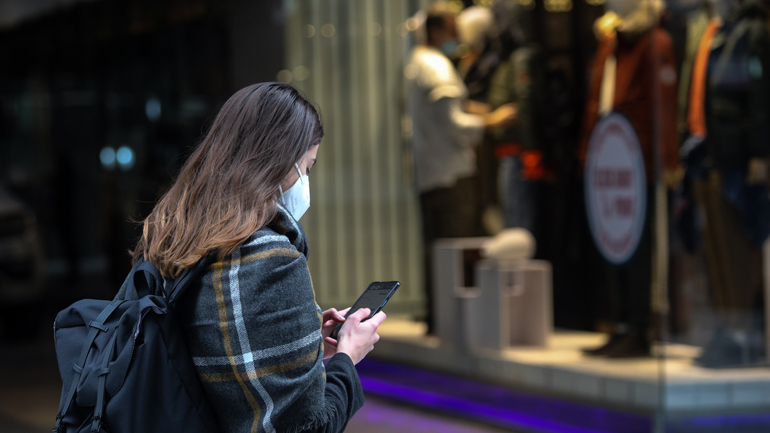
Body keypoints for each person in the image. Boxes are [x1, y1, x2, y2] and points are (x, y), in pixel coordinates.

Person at [129, 82, 385, 432]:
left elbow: (221, 365)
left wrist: (300, 349)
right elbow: (309, 427)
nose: (307, 181)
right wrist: (347, 356)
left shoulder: (173, 238)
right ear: (279, 162)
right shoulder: (270, 259)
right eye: (307, 168)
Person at [405, 2, 517, 333]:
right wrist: (491, 122)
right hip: (452, 172)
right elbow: (452, 120)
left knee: (436, 249)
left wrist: (475, 111)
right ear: (439, 30)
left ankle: (438, 318)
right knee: (456, 252)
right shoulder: (437, 66)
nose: (459, 37)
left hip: (429, 172)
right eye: (453, 29)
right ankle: (456, 322)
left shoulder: (415, 63)